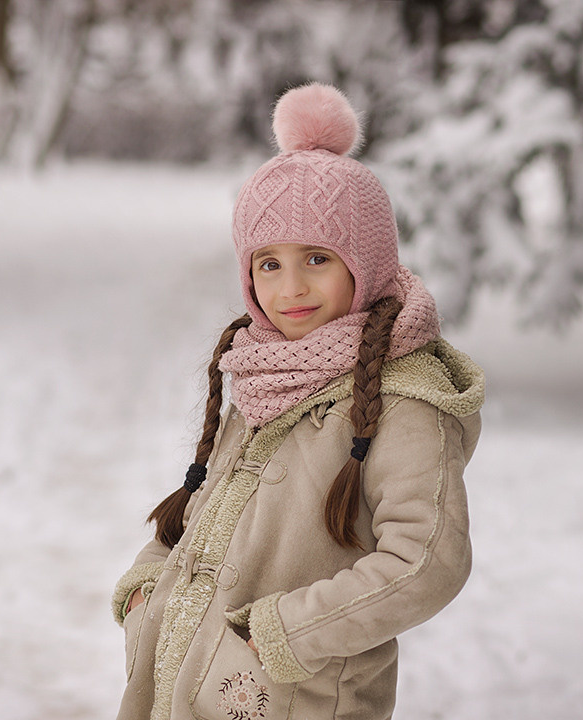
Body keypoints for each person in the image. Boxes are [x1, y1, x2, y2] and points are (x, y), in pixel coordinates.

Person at [111, 83, 485, 720]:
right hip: (182, 684)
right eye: (269, 264)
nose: (292, 288)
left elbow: (427, 560)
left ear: (363, 263)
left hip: (297, 699)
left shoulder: (402, 400)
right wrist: (149, 588)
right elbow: (209, 506)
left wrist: (284, 633)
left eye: (317, 258)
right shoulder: (266, 371)